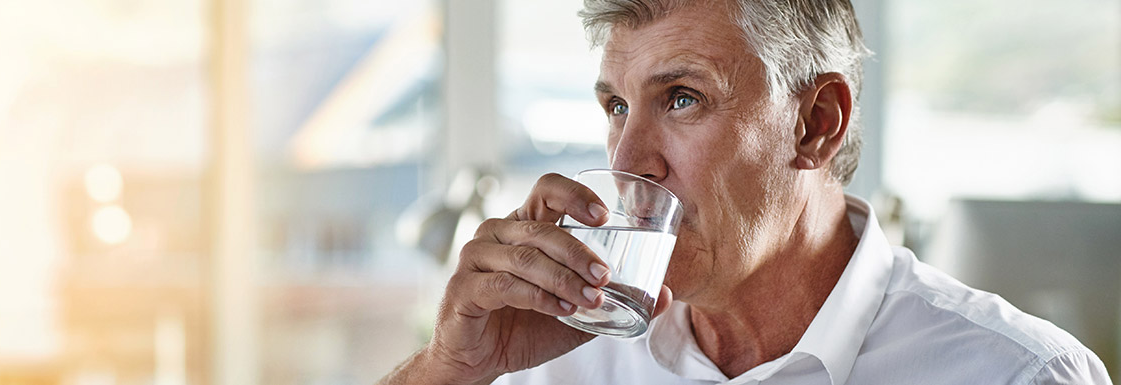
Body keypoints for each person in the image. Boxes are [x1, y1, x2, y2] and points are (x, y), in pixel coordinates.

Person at [379, 0, 1113, 384]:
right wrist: (449, 369)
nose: (630, 158)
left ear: (816, 123)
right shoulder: (559, 358)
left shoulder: (1017, 375)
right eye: (615, 107)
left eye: (682, 99)